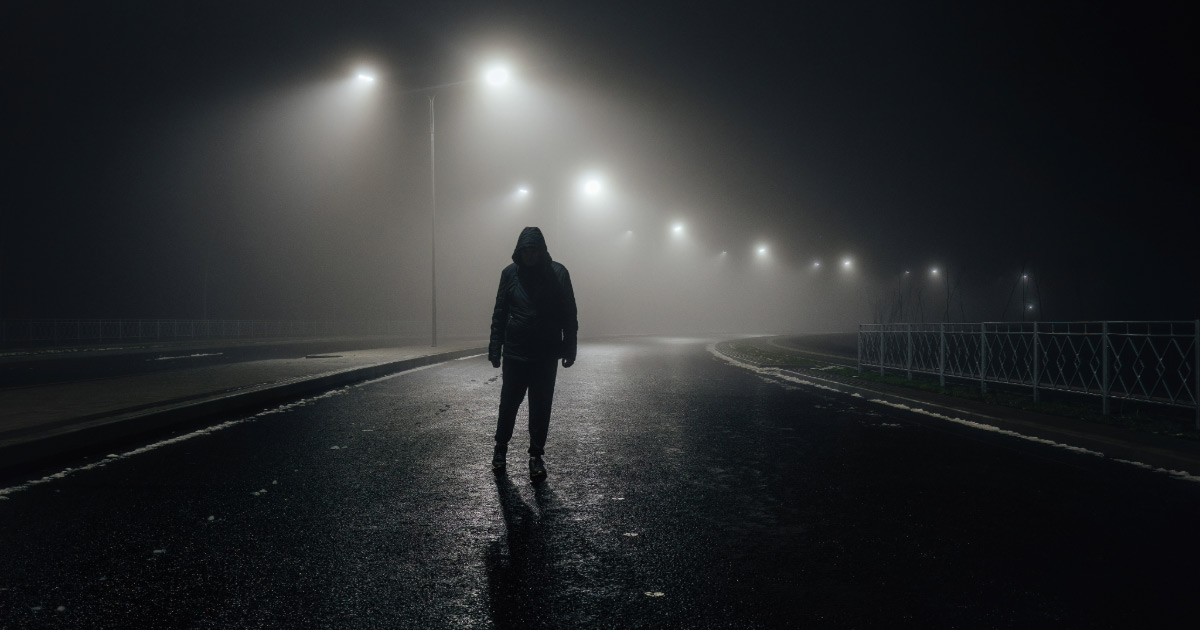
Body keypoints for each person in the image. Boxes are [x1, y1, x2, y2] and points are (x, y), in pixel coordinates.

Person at [488, 226, 578, 481]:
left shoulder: (558, 273)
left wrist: (569, 347)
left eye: (533, 250)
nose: (529, 255)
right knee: (508, 405)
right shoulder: (510, 274)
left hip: (546, 354)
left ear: (541, 251)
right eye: (525, 251)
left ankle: (536, 456)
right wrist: (495, 348)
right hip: (516, 353)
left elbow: (568, 314)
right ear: (520, 251)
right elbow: (500, 313)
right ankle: (500, 450)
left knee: (541, 407)